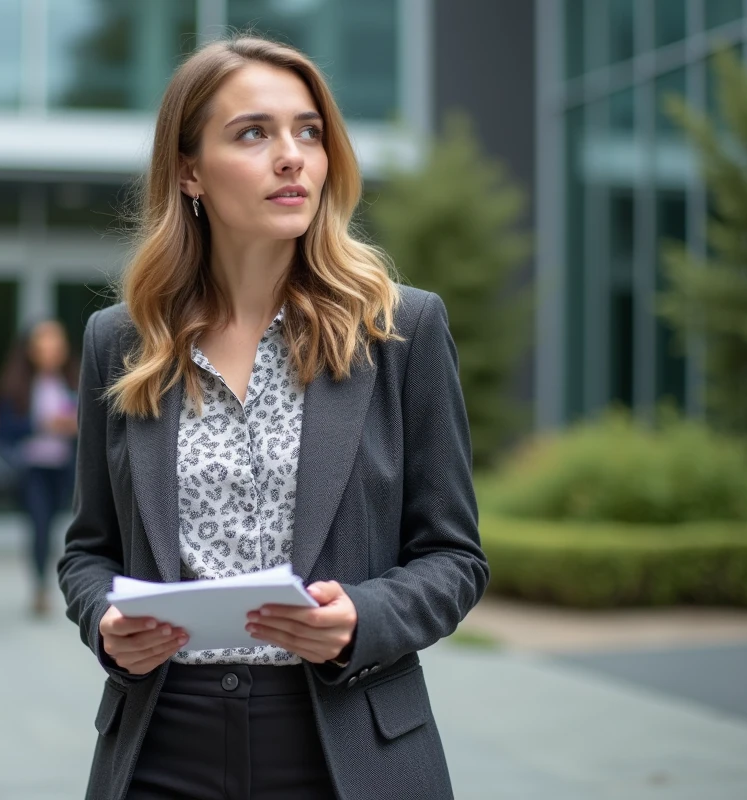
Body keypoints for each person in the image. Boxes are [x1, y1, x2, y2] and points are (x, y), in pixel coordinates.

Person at [57, 35, 489, 800]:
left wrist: (364, 615)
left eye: (309, 130)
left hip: (345, 745)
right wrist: (107, 626)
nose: (292, 156)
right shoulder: (122, 342)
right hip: (162, 743)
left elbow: (455, 557)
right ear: (189, 171)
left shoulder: (401, 332)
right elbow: (88, 552)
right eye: (253, 132)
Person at [0, 320, 78, 617]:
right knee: (40, 526)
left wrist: (74, 426)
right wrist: (41, 425)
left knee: (70, 527)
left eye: (55, 344)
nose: (49, 351)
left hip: (67, 466)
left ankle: (76, 583)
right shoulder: (17, 385)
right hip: (31, 468)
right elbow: (3, 429)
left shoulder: (74, 380)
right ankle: (41, 585)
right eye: (43, 344)